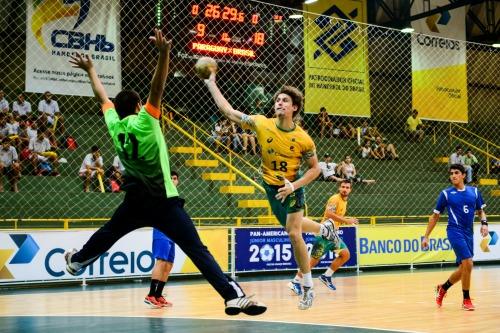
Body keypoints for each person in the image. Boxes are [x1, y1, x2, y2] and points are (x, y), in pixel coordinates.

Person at [65, 29, 266, 316]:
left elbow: (102, 98)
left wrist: (91, 71)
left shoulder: (115, 125)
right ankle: (232, 296)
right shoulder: (146, 121)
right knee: (197, 250)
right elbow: (156, 88)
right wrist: (164, 54)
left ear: (118, 110)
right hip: (163, 200)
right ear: (138, 106)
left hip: (135, 200)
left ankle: (78, 261)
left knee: (109, 232)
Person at [204, 69, 338, 310]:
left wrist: (293, 186)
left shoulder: (304, 139)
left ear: (294, 108)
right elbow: (228, 111)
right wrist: (211, 82)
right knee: (290, 226)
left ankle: (307, 287)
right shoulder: (262, 123)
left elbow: (315, 169)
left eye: (285, 100)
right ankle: (324, 228)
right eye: (277, 99)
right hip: (271, 186)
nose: (279, 102)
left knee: (294, 234)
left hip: (292, 186)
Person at [422, 164, 488, 311]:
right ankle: (466, 299)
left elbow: (481, 211)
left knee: (464, 267)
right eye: (451, 173)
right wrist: (426, 236)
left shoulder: (474, 192)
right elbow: (435, 216)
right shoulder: (446, 194)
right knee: (469, 263)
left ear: (463, 175)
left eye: (456, 173)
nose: (453, 175)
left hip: (468, 232)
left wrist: (484, 224)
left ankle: (443, 288)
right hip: (454, 231)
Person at [289, 180, 358, 294]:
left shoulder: (344, 201)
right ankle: (295, 281)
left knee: (345, 254)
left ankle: (326, 276)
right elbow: (329, 214)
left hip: (332, 235)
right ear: (339, 188)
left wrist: (344, 221)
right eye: (343, 187)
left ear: (350, 189)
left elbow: (336, 217)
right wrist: (347, 221)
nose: (345, 189)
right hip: (324, 235)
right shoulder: (335, 199)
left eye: (347, 187)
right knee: (313, 261)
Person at [145, 171, 180, 308]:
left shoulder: (175, 196)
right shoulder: (161, 193)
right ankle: (150, 295)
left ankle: (159, 295)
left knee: (168, 264)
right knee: (160, 261)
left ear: (178, 181)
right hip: (161, 231)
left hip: (172, 233)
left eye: (175, 178)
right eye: (170, 178)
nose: (173, 180)